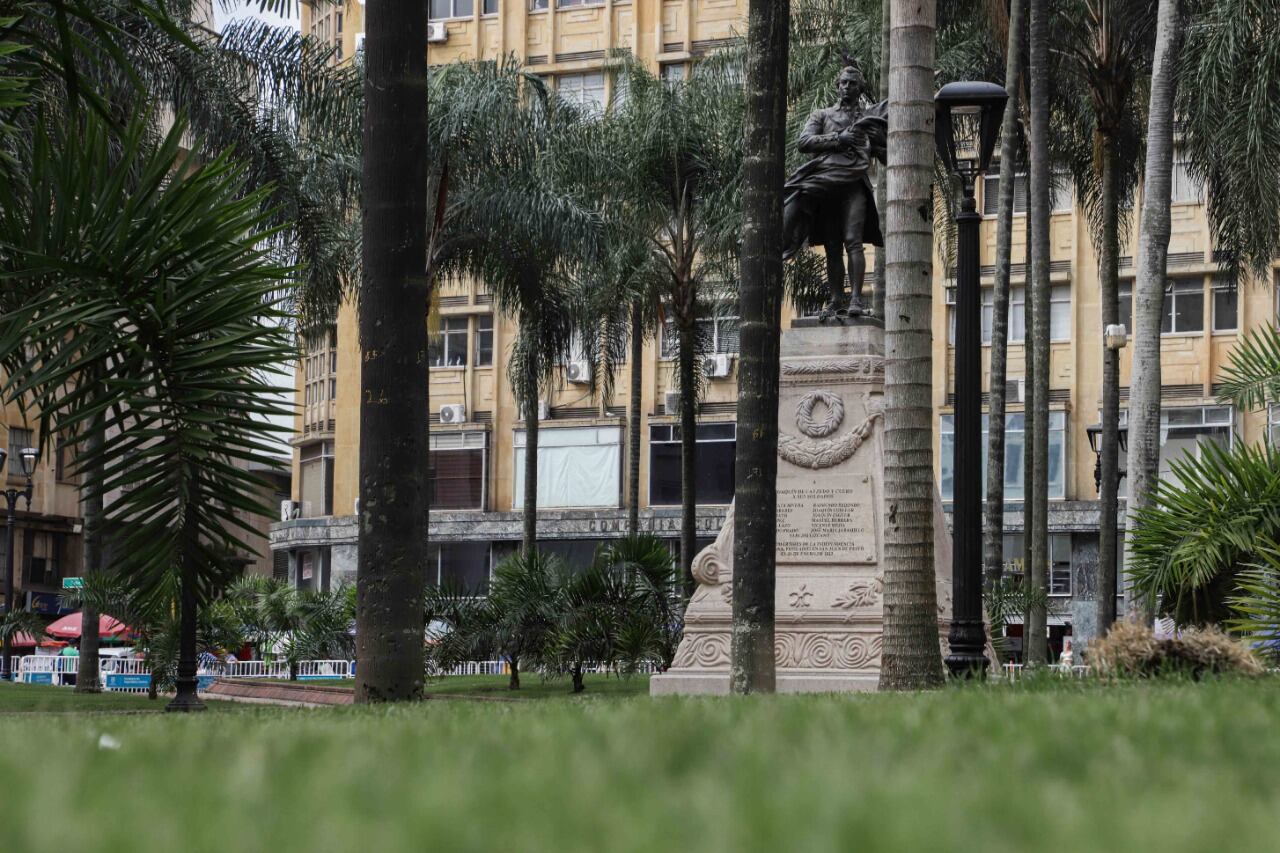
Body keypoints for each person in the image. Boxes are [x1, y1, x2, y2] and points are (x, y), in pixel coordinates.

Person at [782, 58, 888, 320]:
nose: (847, 87)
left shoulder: (867, 117)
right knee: (831, 246)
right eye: (843, 83)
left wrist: (879, 142)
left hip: (854, 187)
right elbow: (804, 142)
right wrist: (839, 139)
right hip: (827, 186)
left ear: (860, 89)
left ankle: (855, 299)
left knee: (854, 241)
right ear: (836, 86)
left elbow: (884, 151)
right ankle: (836, 299)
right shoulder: (822, 115)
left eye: (853, 84)